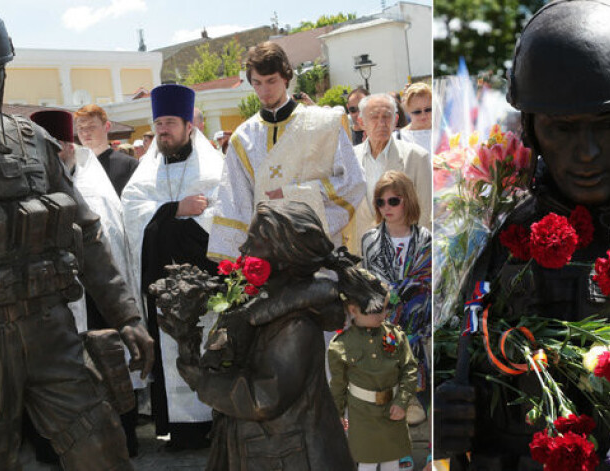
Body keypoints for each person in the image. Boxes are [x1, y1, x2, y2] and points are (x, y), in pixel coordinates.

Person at [0, 1, 154, 469]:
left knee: (103, 449)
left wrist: (126, 313)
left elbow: (85, 232)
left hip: (50, 332)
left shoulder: (31, 142)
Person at [435, 1, 610, 469]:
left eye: (605, 126)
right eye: (563, 129)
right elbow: (452, 350)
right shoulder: (493, 235)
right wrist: (440, 408)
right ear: (531, 129)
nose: (588, 152)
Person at [158, 200, 373, 470]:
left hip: (293, 456)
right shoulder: (260, 304)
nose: (243, 248)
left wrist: (205, 383)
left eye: (254, 240)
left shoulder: (296, 325)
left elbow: (264, 398)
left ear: (283, 252)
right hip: (260, 448)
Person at [31, 109, 145, 458]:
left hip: (94, 301)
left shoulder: (95, 186)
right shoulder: (30, 182)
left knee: (106, 371)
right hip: (49, 302)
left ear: (70, 146)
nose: (57, 152)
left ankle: (120, 440)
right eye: (49, 147)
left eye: (62, 145)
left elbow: (106, 240)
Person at [121, 83, 224, 450]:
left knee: (208, 346)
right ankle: (179, 430)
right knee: (168, 352)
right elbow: (132, 214)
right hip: (161, 283)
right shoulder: (145, 174)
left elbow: (224, 217)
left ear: (188, 125)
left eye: (170, 123)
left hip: (204, 284)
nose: (163, 130)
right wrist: (175, 210)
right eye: (158, 123)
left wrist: (180, 222)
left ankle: (216, 423)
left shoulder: (213, 168)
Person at [207, 41, 365, 262]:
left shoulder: (323, 124)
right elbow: (235, 202)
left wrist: (292, 194)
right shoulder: (243, 138)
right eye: (257, 83)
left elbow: (352, 183)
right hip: (267, 256)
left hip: (318, 251)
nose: (265, 91)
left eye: (271, 81)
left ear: (286, 78)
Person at [329, 274, 418, 471]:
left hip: (392, 410)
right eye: (375, 310)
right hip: (362, 415)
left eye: (385, 308)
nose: (382, 315)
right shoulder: (341, 345)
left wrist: (402, 401)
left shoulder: (395, 335)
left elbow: (410, 368)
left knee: (392, 463)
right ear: (353, 310)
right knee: (367, 464)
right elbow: (338, 384)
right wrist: (337, 413)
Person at [361, 171, 431, 412]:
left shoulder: (425, 240)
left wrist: (396, 294)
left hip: (418, 333)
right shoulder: (370, 240)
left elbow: (424, 286)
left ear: (407, 200)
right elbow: (373, 286)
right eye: (380, 202)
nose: (385, 208)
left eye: (393, 201)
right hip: (382, 332)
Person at [348, 93, 432, 256]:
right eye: (374, 117)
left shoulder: (417, 157)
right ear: (361, 122)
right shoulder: (349, 159)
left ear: (395, 120)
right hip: (362, 256)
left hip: (404, 258)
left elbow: (425, 213)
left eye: (387, 116)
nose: (382, 123)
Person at [74, 104, 139, 197]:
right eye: (80, 128)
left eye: (91, 127)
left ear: (107, 126)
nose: (85, 132)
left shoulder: (129, 165)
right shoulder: (76, 169)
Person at [397, 83, 432, 153]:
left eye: (428, 110)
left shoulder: (442, 134)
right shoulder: (398, 138)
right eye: (417, 112)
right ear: (408, 110)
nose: (423, 115)